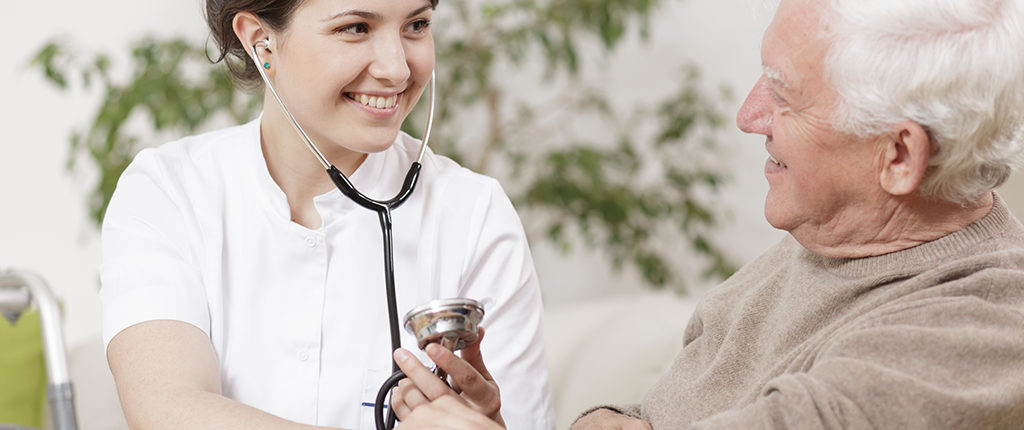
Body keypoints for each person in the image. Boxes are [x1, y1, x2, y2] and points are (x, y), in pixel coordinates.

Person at [390, 0, 1024, 428]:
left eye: (784, 93)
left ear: (898, 155)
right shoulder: (833, 238)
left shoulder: (969, 343)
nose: (748, 117)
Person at [98, 0, 555, 429]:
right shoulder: (169, 191)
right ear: (260, 39)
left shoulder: (476, 215)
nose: (396, 68)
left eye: (416, 25)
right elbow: (169, 410)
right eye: (355, 28)